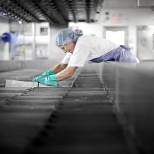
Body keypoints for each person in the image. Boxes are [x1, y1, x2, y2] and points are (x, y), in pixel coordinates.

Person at [32, 28, 139, 86]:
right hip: (117, 60)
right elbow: (62, 66)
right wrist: (45, 75)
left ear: (69, 41)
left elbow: (69, 72)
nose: (64, 50)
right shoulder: (73, 48)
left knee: (137, 83)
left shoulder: (81, 44)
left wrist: (49, 80)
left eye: (63, 47)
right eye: (61, 49)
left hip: (125, 59)